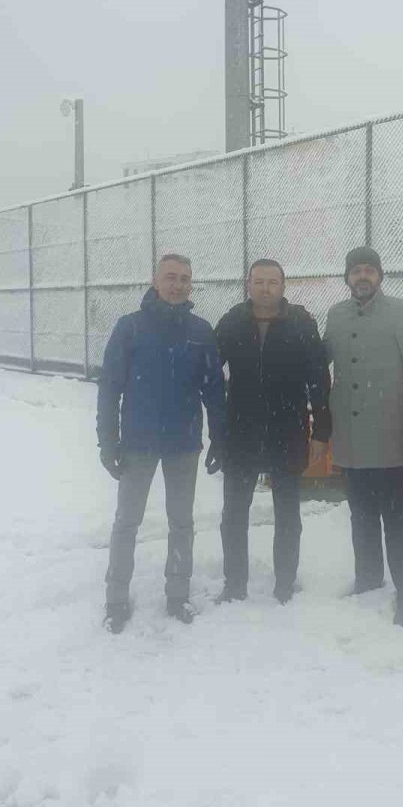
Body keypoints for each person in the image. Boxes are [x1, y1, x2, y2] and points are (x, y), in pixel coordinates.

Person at [96, 254, 225, 633]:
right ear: (154, 280)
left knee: (182, 522)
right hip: (137, 444)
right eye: (170, 277)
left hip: (183, 444)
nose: (178, 284)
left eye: (185, 278)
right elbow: (110, 388)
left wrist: (218, 436)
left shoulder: (200, 331)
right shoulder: (131, 328)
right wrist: (108, 441)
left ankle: (177, 594)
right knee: (127, 522)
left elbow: (214, 389)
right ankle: (116, 599)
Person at [323, 246, 403, 627]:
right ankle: (368, 578)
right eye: (356, 271)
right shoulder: (336, 315)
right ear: (347, 278)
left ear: (380, 276)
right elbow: (322, 363)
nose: (363, 277)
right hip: (351, 437)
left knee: (399, 519)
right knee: (361, 514)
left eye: (369, 270)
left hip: (390, 435)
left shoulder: (402, 311)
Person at [215, 259, 331, 603]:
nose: (265, 288)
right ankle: (234, 583)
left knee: (287, 513)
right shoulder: (233, 321)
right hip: (242, 432)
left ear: (283, 285)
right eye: (259, 281)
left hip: (288, 430)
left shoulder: (300, 322)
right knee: (233, 513)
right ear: (248, 284)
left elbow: (318, 379)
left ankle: (284, 583)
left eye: (272, 282)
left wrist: (322, 430)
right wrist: (219, 422)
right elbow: (208, 371)